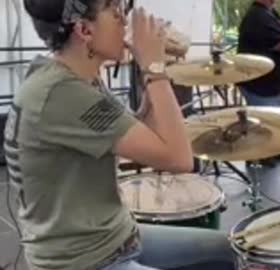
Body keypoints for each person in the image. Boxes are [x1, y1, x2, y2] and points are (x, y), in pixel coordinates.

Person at [4, 0, 235, 269]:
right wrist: (155, 68)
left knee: (227, 250)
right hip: (84, 260)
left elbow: (146, 139)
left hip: (117, 236)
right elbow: (179, 159)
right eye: (112, 10)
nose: (124, 19)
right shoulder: (64, 94)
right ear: (84, 30)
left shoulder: (76, 79)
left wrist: (149, 72)